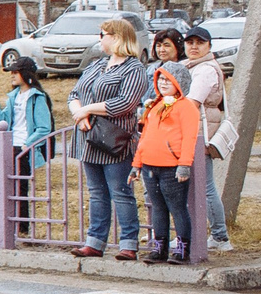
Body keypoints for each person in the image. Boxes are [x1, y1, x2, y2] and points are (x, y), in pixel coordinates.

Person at [67, 18, 151, 261]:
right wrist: (79, 113)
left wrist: (88, 110)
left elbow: (125, 103)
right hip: (89, 138)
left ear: (117, 37)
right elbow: (74, 93)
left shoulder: (134, 69)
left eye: (103, 34)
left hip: (115, 141)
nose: (100, 39)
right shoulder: (96, 65)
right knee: (96, 192)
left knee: (121, 191)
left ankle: (128, 243)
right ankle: (95, 242)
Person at [134, 61, 203, 263]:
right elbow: (144, 137)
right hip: (150, 165)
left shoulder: (186, 107)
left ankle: (182, 249)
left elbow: (189, 138)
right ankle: (159, 248)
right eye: (160, 79)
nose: (163, 83)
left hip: (171, 167)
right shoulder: (154, 106)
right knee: (158, 207)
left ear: (178, 82)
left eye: (168, 79)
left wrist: (184, 164)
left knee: (177, 207)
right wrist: (137, 164)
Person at [0, 59, 57, 238]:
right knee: (5, 187)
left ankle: (22, 228)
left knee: (20, 189)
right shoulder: (14, 96)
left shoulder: (37, 97)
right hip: (9, 145)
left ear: (26, 74)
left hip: (23, 147)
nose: (12, 75)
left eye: (15, 72)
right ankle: (6, 226)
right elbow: (2, 122)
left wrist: (28, 143)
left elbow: (44, 128)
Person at [184, 25, 234, 252]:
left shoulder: (205, 70)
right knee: (200, 186)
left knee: (205, 187)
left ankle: (220, 236)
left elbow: (192, 102)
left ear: (209, 46)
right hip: (196, 131)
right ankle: (206, 234)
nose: (194, 47)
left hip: (199, 134)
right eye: (190, 42)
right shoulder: (194, 66)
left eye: (199, 43)